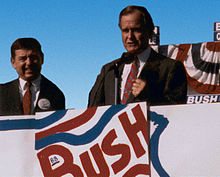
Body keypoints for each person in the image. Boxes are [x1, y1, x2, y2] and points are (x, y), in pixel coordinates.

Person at [88, 5, 187, 107]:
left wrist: (151, 96)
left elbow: (177, 111)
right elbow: (93, 109)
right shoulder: (109, 70)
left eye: (136, 30)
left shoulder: (171, 68)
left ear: (149, 31)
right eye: (125, 30)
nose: (130, 37)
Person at [0, 37, 65, 116]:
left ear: (42, 58)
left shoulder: (56, 94)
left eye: (33, 57)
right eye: (23, 59)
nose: (29, 63)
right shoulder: (2, 93)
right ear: (13, 62)